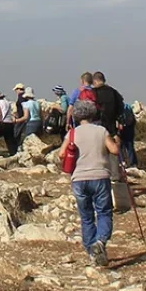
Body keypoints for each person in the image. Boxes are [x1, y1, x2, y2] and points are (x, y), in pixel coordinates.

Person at [59, 100, 121, 267]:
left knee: (86, 217)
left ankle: (92, 252)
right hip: (100, 176)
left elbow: (61, 154)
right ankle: (100, 241)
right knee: (104, 212)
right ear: (93, 113)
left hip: (79, 178)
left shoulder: (72, 133)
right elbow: (114, 150)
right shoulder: (101, 130)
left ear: (77, 115)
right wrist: (118, 141)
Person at [118, 102, 138, 168]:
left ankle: (123, 162)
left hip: (123, 128)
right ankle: (133, 163)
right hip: (130, 127)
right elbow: (133, 120)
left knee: (121, 146)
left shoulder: (118, 107)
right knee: (130, 146)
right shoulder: (127, 106)